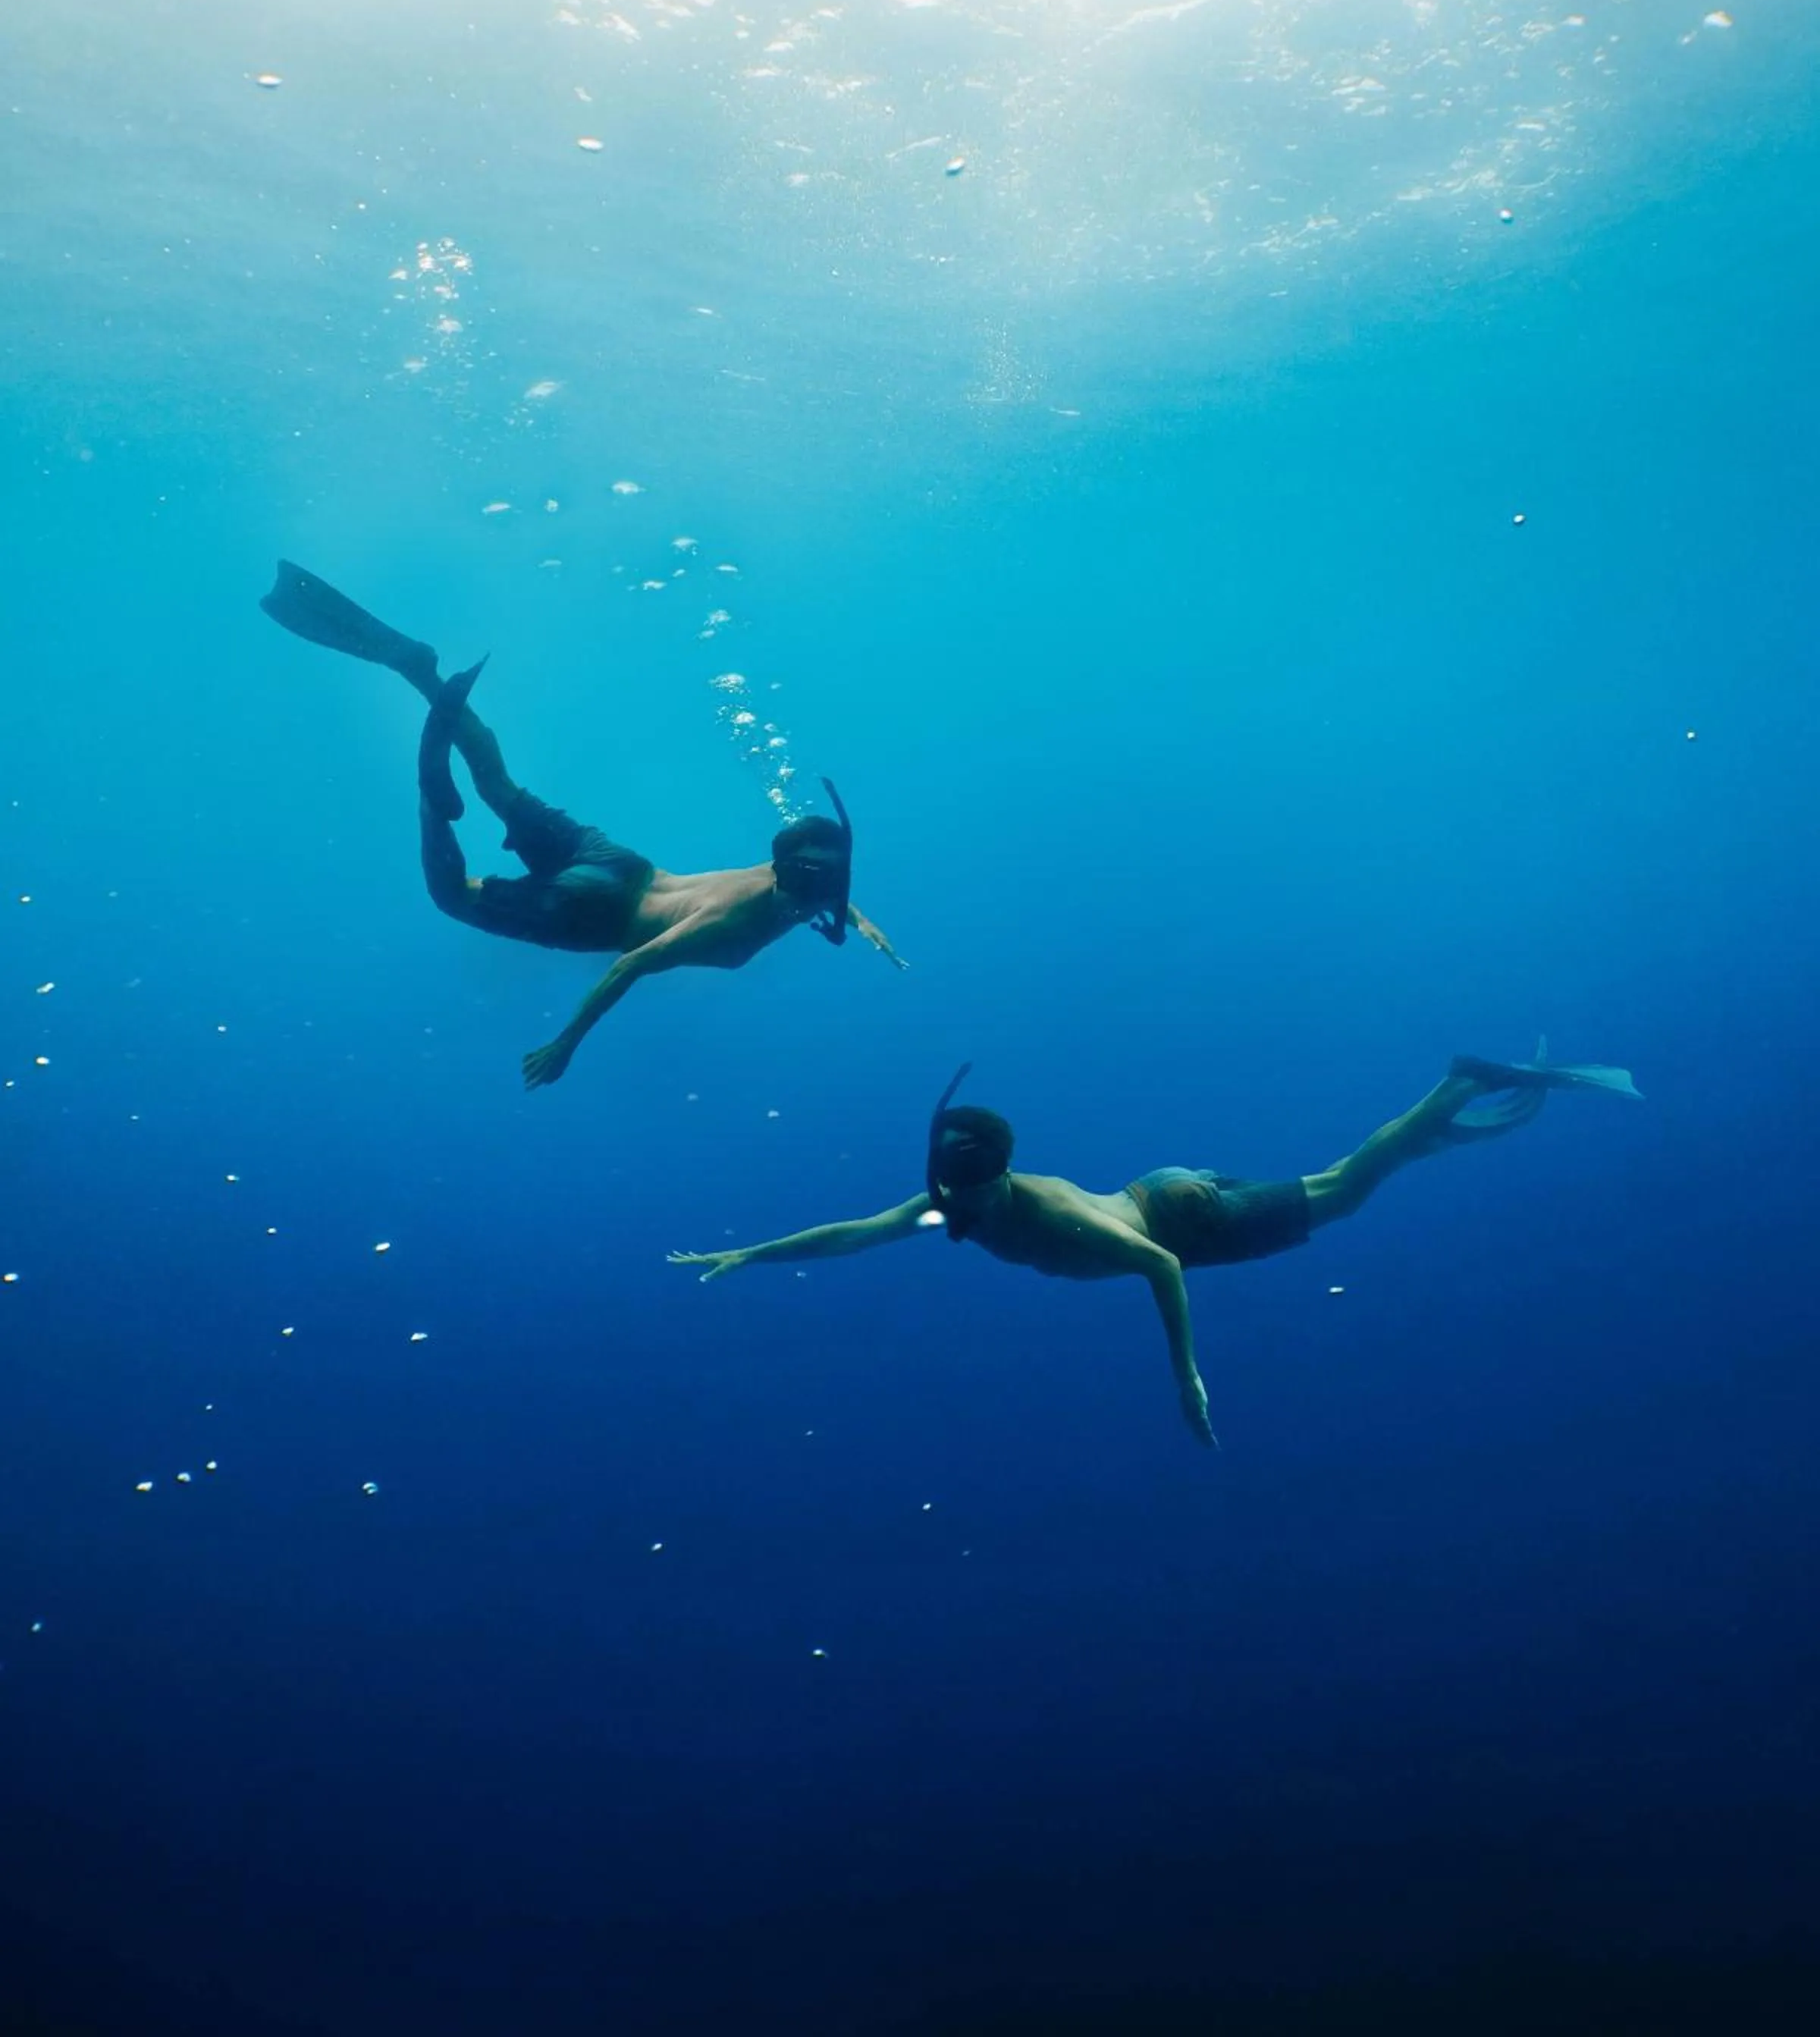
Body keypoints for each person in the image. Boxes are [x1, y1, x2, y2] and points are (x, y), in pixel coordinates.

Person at [670, 1047, 1642, 1446]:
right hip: (1162, 1193)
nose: (947, 1203)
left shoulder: (1040, 1214)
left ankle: (1452, 1090)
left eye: (962, 1188)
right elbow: (856, 1233)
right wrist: (748, 1253)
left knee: (1345, 1190)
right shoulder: (949, 1199)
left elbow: (1159, 1264)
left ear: (993, 1175)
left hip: (1180, 1221)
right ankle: (1440, 1117)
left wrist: (1186, 1377)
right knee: (1343, 1183)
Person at [260, 560, 904, 1087]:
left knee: (498, 784)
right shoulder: (738, 920)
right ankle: (433, 805)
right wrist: (565, 1044)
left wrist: (862, 919)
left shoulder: (793, 873)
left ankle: (422, 674)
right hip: (597, 914)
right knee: (453, 898)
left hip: (624, 864)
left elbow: (821, 882)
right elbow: (630, 967)